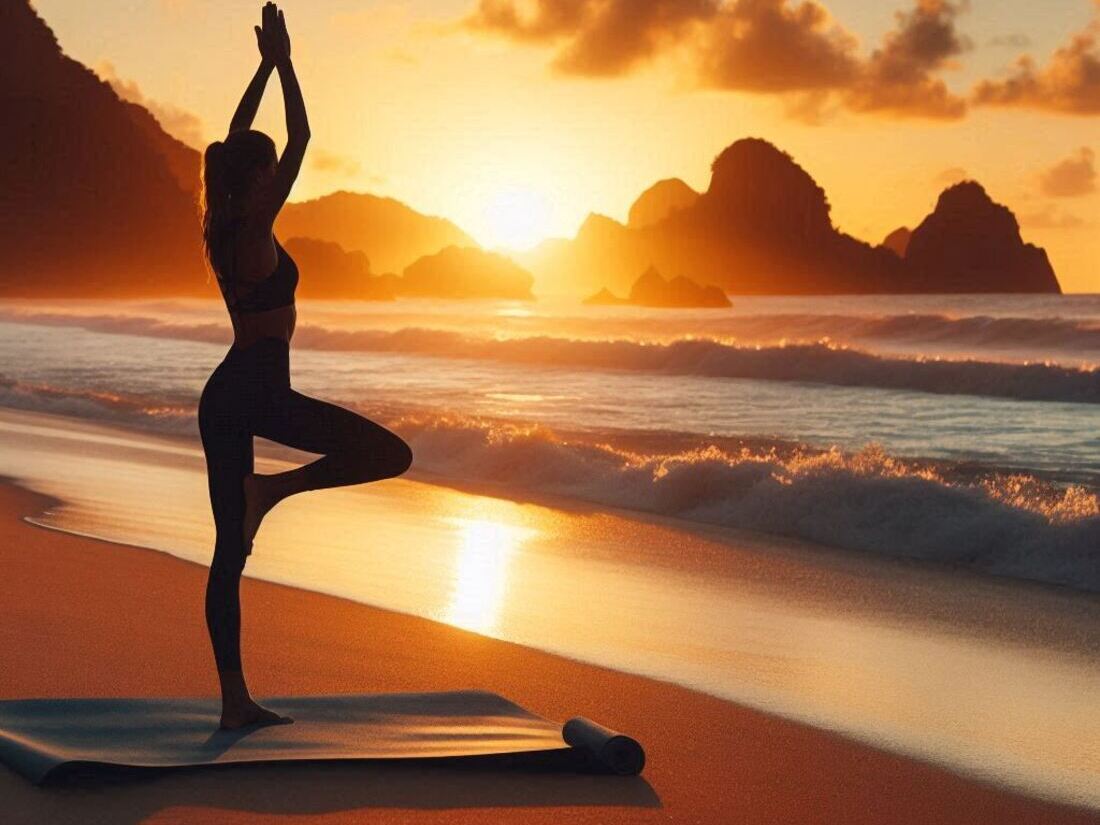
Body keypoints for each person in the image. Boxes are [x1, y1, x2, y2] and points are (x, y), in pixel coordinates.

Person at [196, 2, 413, 729]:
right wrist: (286, 63)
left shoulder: (219, 223)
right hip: (258, 390)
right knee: (388, 452)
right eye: (266, 173)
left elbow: (233, 142)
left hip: (230, 393)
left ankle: (234, 702)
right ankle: (277, 493)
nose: (272, 180)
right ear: (257, 181)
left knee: (229, 552)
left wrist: (259, 67)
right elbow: (303, 137)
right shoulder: (254, 226)